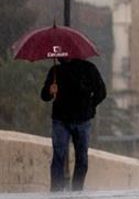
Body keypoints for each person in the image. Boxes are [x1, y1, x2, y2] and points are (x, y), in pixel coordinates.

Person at [40, 57, 106, 192]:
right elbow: (44, 96)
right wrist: (50, 90)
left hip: (83, 120)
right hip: (61, 120)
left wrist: (89, 106)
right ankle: (56, 191)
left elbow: (101, 92)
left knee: (81, 157)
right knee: (59, 155)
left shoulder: (88, 69)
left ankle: (77, 190)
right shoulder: (55, 71)